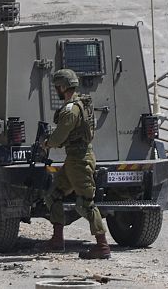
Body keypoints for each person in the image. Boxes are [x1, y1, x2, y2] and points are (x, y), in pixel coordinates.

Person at [40, 68, 109, 259]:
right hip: (74, 159)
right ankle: (57, 240)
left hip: (80, 160)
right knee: (53, 195)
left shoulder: (71, 109)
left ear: (63, 86)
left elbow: (59, 136)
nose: (56, 89)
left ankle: (102, 246)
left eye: (57, 86)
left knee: (86, 203)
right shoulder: (81, 104)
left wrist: (46, 143)